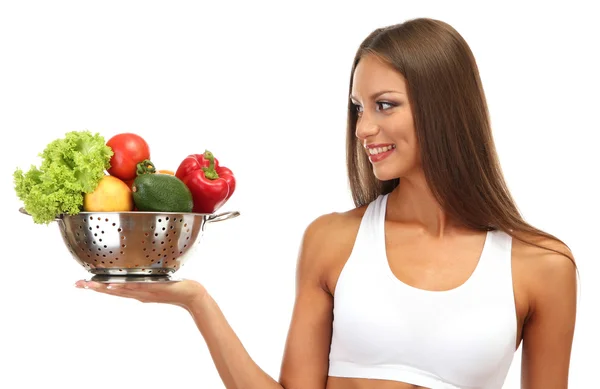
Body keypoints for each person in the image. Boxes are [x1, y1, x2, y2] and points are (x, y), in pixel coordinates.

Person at [75, 17, 578, 389]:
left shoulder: (541, 266)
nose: (363, 129)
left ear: (444, 107)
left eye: (385, 105)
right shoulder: (334, 240)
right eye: (359, 108)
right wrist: (197, 303)